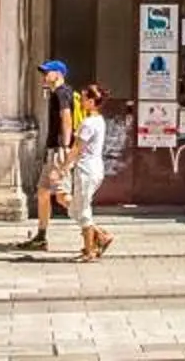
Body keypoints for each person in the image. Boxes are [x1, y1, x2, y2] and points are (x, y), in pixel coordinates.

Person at [18, 60, 73, 252]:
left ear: (58, 74)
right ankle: (41, 237)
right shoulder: (56, 93)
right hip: (53, 150)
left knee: (62, 196)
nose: (44, 76)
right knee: (42, 192)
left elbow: (66, 118)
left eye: (47, 72)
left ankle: (95, 230)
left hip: (59, 150)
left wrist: (65, 146)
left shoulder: (61, 92)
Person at [67, 85, 114, 262]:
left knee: (83, 210)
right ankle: (101, 236)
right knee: (75, 210)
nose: (81, 101)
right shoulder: (99, 120)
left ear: (92, 102)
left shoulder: (87, 123)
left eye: (84, 98)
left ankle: (89, 251)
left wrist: (64, 167)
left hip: (86, 169)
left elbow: (77, 148)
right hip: (93, 168)